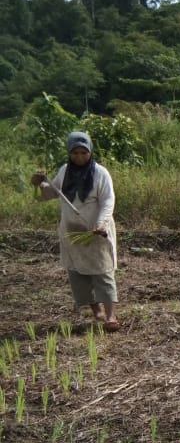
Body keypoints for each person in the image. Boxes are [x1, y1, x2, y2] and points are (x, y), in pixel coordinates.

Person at [30, 131, 121, 331]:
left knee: (103, 272)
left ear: (90, 152)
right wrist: (40, 184)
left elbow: (108, 201)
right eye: (75, 153)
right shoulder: (64, 171)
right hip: (72, 233)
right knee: (78, 272)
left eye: (83, 153)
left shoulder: (100, 173)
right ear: (69, 153)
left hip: (96, 231)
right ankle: (95, 310)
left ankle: (110, 317)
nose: (79, 157)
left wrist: (101, 223)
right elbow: (50, 194)